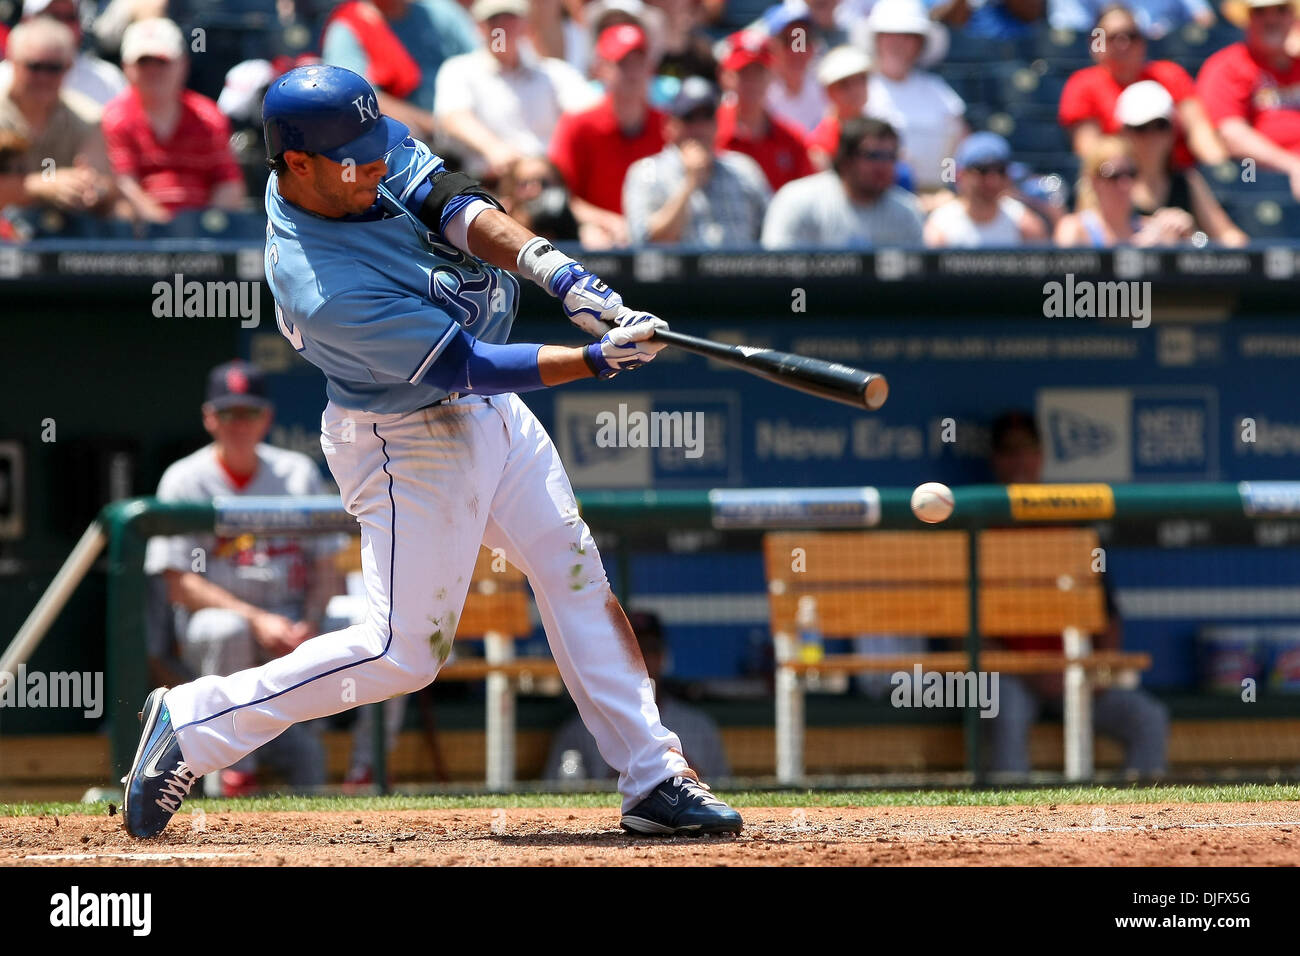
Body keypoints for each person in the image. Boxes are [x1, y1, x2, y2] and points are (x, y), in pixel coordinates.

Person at [122, 64, 742, 840]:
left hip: (491, 416)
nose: (376, 164)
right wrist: (593, 361)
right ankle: (194, 720)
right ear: (298, 165)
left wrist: (560, 273)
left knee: (573, 570)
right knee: (402, 652)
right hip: (407, 437)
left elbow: (452, 201)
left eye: (376, 145)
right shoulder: (318, 285)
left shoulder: (358, 149)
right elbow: (466, 364)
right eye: (356, 158)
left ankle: (652, 775)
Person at [143, 361, 349, 796]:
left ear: (267, 417)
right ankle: (233, 773)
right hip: (218, 625)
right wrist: (258, 619)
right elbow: (179, 583)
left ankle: (366, 769)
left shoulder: (296, 472)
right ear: (209, 417)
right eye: (229, 412)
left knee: (377, 633)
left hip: (293, 621)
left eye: (249, 412)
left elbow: (327, 566)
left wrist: (310, 622)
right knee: (229, 627)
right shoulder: (184, 478)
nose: (240, 423)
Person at [983, 410, 1169, 780]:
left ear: (1041, 456)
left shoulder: (1071, 525)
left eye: (1027, 450)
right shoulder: (984, 525)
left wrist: (1095, 671)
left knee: (1148, 717)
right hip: (1014, 677)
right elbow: (968, 631)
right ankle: (1005, 825)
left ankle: (1139, 826)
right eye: (1009, 452)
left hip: (1076, 674)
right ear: (995, 460)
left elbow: (1108, 616)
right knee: (999, 704)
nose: (1019, 461)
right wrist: (1032, 672)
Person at [545, 611, 731, 782]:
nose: (641, 658)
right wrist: (623, 774)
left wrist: (680, 770)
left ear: (662, 656)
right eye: (631, 648)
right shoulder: (584, 728)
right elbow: (555, 794)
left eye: (649, 649)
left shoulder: (698, 727)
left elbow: (726, 791)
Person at [101, 18, 246, 222]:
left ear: (183, 64)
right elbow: (122, 185)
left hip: (203, 240)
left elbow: (228, 183)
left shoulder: (209, 116)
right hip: (136, 240)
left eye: (162, 61)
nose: (153, 71)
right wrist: (166, 229)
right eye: (143, 62)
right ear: (126, 67)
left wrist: (206, 228)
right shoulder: (114, 118)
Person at [434, 0, 598, 179]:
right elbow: (453, 117)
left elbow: (589, 112)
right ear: (479, 27)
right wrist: (493, 148)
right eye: (494, 20)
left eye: (510, 19)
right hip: (491, 182)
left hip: (550, 179)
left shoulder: (554, 73)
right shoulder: (459, 70)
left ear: (526, 25)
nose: (502, 28)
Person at [1059, 5, 1227, 171]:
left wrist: (1220, 171)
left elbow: (1199, 132)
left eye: (1131, 36)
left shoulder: (1171, 75)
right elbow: (1091, 154)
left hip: (1176, 180)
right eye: (1113, 37)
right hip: (1119, 182)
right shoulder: (1083, 85)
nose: (1123, 43)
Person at [548, 23, 667, 248]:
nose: (632, 73)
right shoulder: (579, 124)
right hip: (603, 238)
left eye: (638, 63)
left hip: (659, 236)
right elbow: (561, 196)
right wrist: (606, 222)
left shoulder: (668, 125)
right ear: (600, 69)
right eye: (622, 64)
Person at [623, 76, 771, 245]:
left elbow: (773, 233)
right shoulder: (646, 171)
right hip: (677, 272)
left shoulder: (743, 168)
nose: (699, 128)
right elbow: (646, 242)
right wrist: (690, 183)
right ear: (669, 126)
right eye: (690, 118)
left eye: (707, 117)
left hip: (741, 270)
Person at [0, 17, 117, 217]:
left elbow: (104, 184)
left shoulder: (87, 118)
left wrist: (91, 190)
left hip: (62, 238)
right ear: (13, 62)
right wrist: (37, 185)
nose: (43, 77)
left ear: (69, 67)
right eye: (34, 66)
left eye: (53, 68)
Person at [321, 0, 480, 142]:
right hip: (411, 143)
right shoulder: (348, 27)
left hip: (469, 126)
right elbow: (356, 97)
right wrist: (436, 126)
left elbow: (481, 60)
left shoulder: (438, 11)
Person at [1116, 81, 1249, 244]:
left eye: (1160, 126)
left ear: (1173, 131)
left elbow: (1231, 238)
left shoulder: (1188, 181)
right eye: (1141, 128)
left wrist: (1192, 237)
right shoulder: (1108, 180)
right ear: (1124, 133)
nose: (1151, 137)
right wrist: (1141, 241)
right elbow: (1091, 240)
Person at [762, 115, 924, 247]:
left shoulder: (907, 211)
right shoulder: (797, 200)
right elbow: (777, 271)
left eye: (890, 156)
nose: (883, 165)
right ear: (845, 160)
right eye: (873, 156)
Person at [859, 0, 967, 195]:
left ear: (920, 44)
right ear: (877, 40)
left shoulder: (939, 92)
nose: (897, 43)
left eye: (907, 36)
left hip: (936, 199)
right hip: (876, 197)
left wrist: (949, 190)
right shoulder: (861, 87)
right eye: (889, 35)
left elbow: (958, 149)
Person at [1197, 0, 1300, 199]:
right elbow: (1232, 135)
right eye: (1260, 11)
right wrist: (1293, 165)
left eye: (1281, 10)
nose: (1272, 19)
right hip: (1258, 176)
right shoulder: (1227, 66)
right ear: (1247, 18)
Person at [714, 28, 815, 191]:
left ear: (771, 76)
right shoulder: (711, 131)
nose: (752, 82)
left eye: (759, 72)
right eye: (744, 73)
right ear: (725, 77)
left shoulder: (792, 140)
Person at [1055, 134, 1196, 245]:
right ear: (1094, 181)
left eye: (1131, 173)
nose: (1125, 183)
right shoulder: (1073, 229)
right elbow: (1064, 281)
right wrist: (1139, 254)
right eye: (1114, 175)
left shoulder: (1151, 228)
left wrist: (1184, 237)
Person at [0, 0, 126, 118]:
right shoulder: (3, 77)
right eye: (52, 16)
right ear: (26, 20)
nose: (61, 25)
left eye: (69, 17)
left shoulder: (107, 79)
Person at [923, 132, 1048, 246]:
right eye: (983, 171)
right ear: (961, 175)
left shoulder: (1025, 225)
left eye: (1000, 171)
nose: (993, 181)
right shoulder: (941, 226)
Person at [763, 2, 828, 134]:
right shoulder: (756, 90)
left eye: (803, 41)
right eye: (788, 41)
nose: (797, 51)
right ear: (771, 47)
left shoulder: (827, 85)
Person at [805, 44, 872, 166]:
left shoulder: (879, 130)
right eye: (844, 85)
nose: (855, 90)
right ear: (828, 92)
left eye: (861, 80)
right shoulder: (821, 142)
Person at [1049, 0, 1215, 37]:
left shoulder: (1171, 75)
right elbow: (1070, 35)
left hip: (1161, 61)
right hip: (1104, 61)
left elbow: (1205, 19)